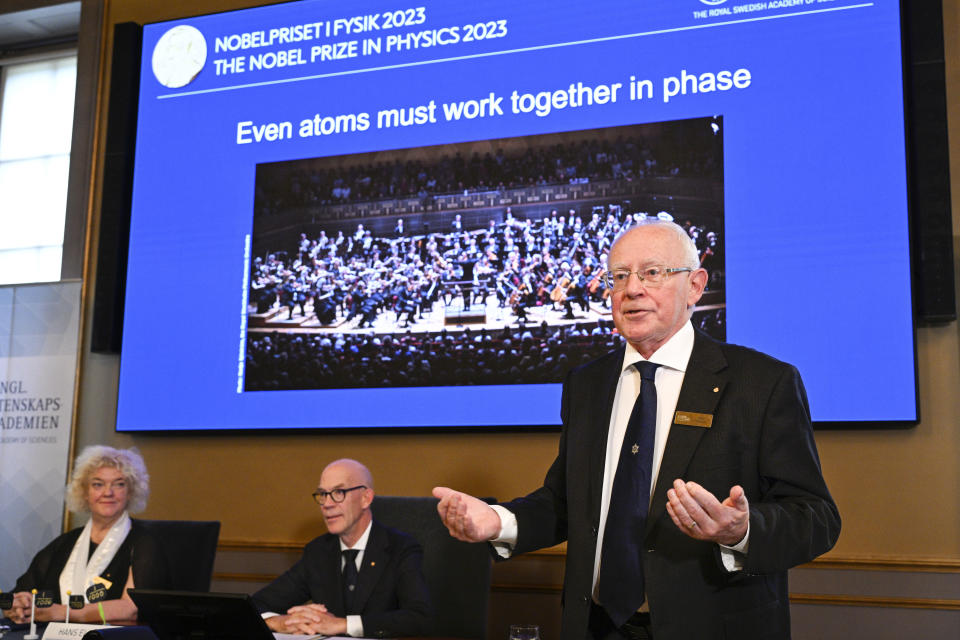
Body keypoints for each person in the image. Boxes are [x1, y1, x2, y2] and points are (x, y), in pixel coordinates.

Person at [433, 220, 841, 640]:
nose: (632, 289)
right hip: (595, 626)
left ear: (695, 286)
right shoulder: (587, 383)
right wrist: (498, 522)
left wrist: (741, 530)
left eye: (652, 273)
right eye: (619, 276)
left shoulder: (761, 382)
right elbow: (565, 503)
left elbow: (817, 517)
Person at [252, 459, 431, 637]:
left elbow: (418, 618)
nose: (327, 504)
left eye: (338, 492)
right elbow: (257, 604)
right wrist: (278, 622)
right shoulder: (318, 552)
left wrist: (343, 625)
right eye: (323, 494)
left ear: (365, 498)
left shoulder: (400, 548)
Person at [3, 446, 169, 625]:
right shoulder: (65, 543)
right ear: (85, 492)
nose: (108, 492)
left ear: (130, 492)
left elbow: (132, 610)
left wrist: (61, 613)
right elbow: (18, 594)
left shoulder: (144, 543)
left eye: (119, 484)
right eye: (98, 484)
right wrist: (18, 606)